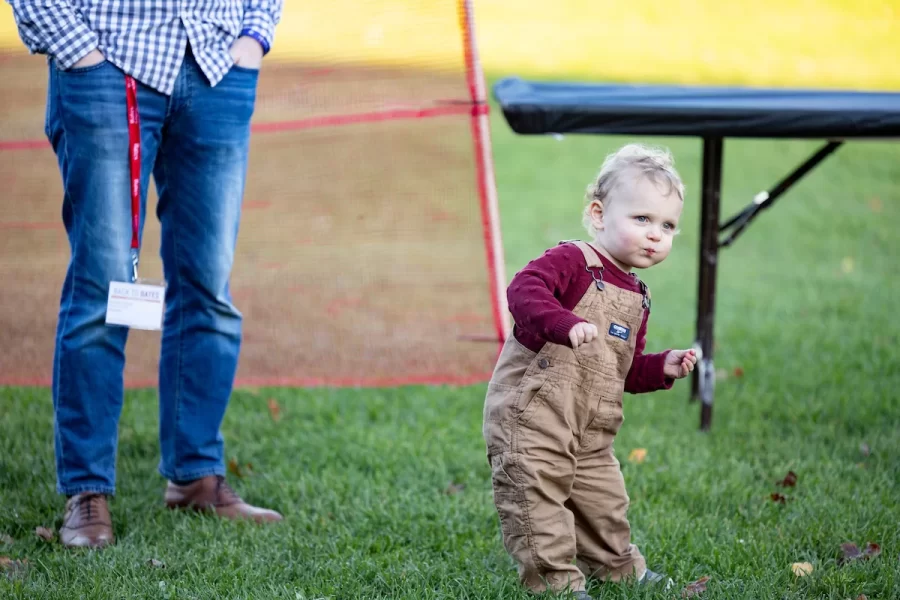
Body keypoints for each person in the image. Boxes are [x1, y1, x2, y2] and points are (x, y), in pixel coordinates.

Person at [6, 0, 285, 548]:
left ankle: (195, 475)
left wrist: (253, 37)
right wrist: (78, 51)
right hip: (106, 63)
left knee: (210, 288)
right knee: (101, 287)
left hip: (217, 67)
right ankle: (86, 492)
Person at [482, 143, 698, 598]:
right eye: (641, 219)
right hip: (533, 417)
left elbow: (621, 371)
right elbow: (524, 290)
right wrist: (564, 322)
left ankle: (617, 568)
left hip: (591, 431)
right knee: (538, 505)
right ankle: (557, 583)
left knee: (605, 505)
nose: (655, 234)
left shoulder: (638, 295)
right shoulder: (573, 261)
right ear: (599, 214)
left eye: (668, 225)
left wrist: (661, 366)